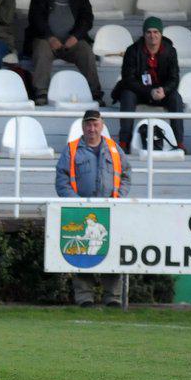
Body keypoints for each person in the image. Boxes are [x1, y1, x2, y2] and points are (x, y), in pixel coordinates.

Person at [54, 109, 129, 307]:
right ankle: (84, 298)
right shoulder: (71, 150)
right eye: (88, 124)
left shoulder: (114, 149)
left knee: (112, 254)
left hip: (110, 210)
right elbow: (61, 180)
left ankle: (113, 298)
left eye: (95, 124)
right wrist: (76, 203)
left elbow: (126, 175)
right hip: (81, 212)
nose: (92, 128)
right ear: (83, 126)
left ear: (102, 126)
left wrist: (119, 198)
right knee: (81, 257)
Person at [26, 0, 101, 106]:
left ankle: (95, 93)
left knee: (86, 52)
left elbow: (87, 19)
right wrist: (50, 37)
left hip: (72, 42)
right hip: (46, 40)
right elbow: (35, 17)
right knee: (41, 50)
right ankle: (41, 93)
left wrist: (75, 37)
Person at [113, 16, 183, 149]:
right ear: (144, 34)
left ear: (161, 34)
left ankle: (178, 142)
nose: (152, 36)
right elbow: (128, 79)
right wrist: (149, 92)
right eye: (149, 32)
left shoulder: (170, 51)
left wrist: (165, 90)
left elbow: (174, 78)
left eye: (156, 32)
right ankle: (124, 142)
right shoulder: (132, 51)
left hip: (161, 92)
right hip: (140, 91)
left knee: (176, 98)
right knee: (127, 95)